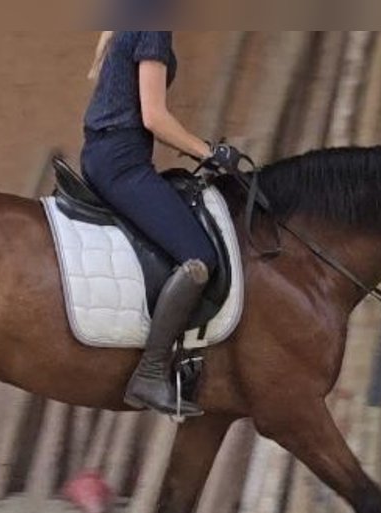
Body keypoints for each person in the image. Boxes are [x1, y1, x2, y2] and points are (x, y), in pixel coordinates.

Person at [81, 30, 242, 416]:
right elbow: (153, 117)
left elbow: (99, 78)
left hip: (107, 153)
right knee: (200, 257)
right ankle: (150, 373)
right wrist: (210, 153)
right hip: (122, 161)